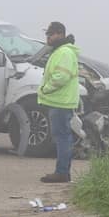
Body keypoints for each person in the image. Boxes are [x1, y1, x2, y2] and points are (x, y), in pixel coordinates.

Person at [38, 22, 80, 183]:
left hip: (60, 102)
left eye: (51, 34)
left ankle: (62, 172)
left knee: (62, 137)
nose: (48, 37)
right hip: (60, 101)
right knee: (63, 136)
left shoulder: (64, 52)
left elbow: (61, 77)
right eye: (47, 34)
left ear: (61, 34)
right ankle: (63, 172)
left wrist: (45, 89)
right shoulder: (60, 51)